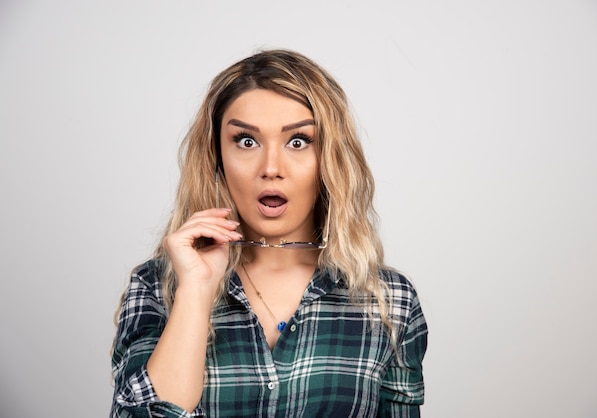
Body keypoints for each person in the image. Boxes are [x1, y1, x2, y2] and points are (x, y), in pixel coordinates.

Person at [110, 48, 428, 417]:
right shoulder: (156, 288)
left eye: (298, 141)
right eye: (247, 141)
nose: (271, 167)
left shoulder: (390, 302)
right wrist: (195, 292)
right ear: (217, 157)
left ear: (330, 157)